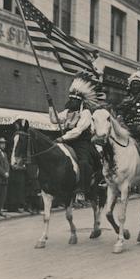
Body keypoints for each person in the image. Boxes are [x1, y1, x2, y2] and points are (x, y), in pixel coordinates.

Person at [48, 72, 104, 204]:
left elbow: (78, 131)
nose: (71, 102)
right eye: (71, 99)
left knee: (84, 162)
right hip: (67, 140)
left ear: (79, 101)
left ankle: (82, 191)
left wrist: (63, 138)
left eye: (74, 100)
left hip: (81, 143)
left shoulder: (85, 113)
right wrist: (50, 105)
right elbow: (54, 119)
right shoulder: (67, 112)